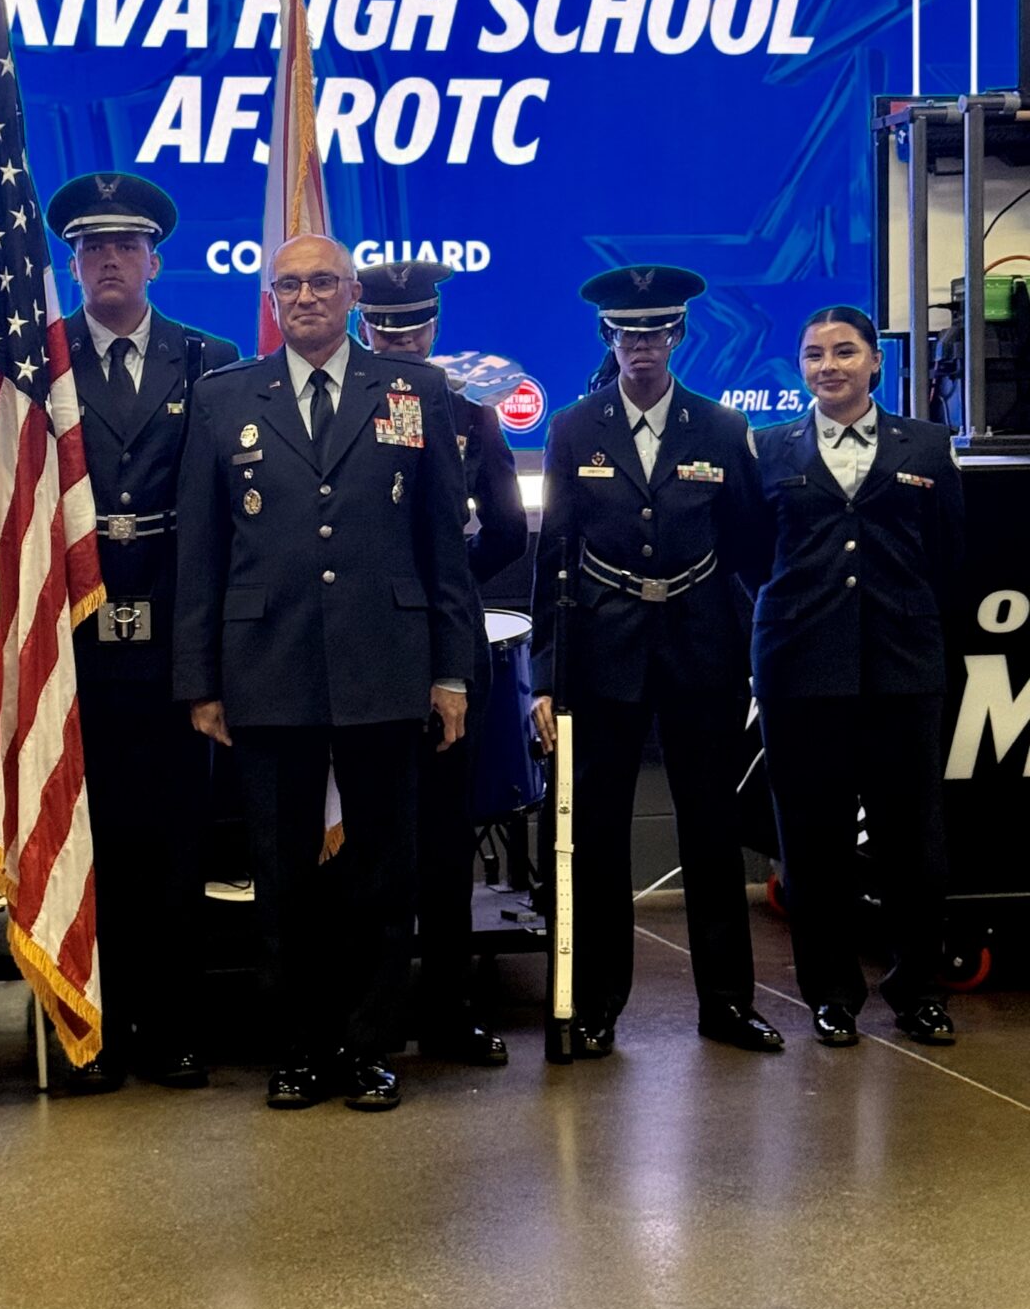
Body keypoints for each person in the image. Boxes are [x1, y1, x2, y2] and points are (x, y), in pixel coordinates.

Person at [174, 233, 475, 1112]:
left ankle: (369, 1047)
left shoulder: (414, 390)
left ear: (351, 294)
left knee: (384, 870)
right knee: (282, 875)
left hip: (386, 662)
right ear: (272, 298)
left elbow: (441, 545)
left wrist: (451, 672)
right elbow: (202, 549)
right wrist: (200, 679)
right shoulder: (224, 396)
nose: (305, 297)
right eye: (290, 285)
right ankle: (299, 1048)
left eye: (322, 282)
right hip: (267, 666)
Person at [530, 264, 783, 1059]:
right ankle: (597, 1003)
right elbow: (554, 555)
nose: (642, 346)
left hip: (701, 648)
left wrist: (754, 652)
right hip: (602, 649)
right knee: (598, 834)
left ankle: (728, 1003)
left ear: (679, 335)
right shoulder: (574, 428)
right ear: (607, 337)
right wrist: (543, 675)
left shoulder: (721, 427)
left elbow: (749, 547)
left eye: (657, 331)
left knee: (711, 830)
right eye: (627, 332)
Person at [44, 171, 239, 1092]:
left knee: (176, 845)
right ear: (73, 264)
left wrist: (210, 660)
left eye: (126, 245)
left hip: (174, 636)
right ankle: (99, 1030)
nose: (109, 260)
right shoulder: (38, 361)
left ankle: (175, 1032)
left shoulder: (209, 358)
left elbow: (224, 513)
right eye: (92, 247)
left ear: (154, 262)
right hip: (73, 642)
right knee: (92, 849)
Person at [751, 305, 964, 1048]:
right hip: (799, 669)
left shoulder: (927, 445)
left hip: (902, 668)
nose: (828, 366)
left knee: (913, 845)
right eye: (814, 354)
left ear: (876, 360)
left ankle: (918, 990)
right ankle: (831, 995)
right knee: (814, 845)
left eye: (844, 352)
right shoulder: (768, 448)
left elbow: (948, 554)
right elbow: (753, 555)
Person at [355, 258, 527, 1067]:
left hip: (447, 652)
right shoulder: (339, 405)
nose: (399, 340)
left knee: (446, 843)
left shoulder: (468, 411)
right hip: (361, 650)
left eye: (413, 327)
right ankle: (373, 1015)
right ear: (364, 327)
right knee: (369, 841)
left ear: (434, 327)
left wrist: (442, 588)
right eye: (385, 328)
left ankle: (447, 1012)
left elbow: (507, 531)